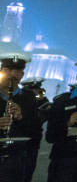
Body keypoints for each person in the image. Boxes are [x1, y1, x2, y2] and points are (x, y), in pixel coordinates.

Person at [0, 53, 39, 182]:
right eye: (8, 70)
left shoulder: (29, 98)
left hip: (16, 161)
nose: (12, 75)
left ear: (22, 75)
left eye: (17, 71)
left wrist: (22, 118)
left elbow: (36, 132)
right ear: (1, 71)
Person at [19, 77, 49, 182]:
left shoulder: (44, 103)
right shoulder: (19, 101)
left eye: (38, 89)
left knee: (27, 172)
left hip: (32, 143)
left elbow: (39, 119)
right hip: (16, 143)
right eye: (33, 90)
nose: (37, 92)